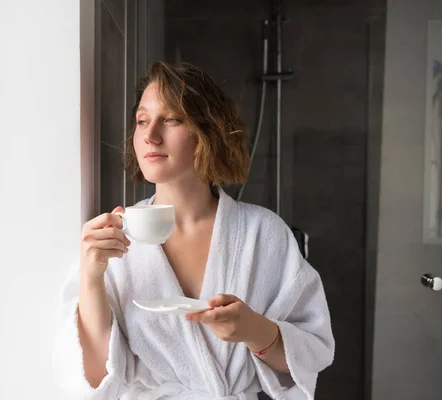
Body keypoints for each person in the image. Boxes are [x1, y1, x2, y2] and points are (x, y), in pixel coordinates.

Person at [54, 61, 335, 400]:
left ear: (208, 131)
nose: (150, 135)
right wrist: (92, 276)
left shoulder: (262, 232)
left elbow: (310, 355)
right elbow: (97, 375)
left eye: (170, 119)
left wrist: (254, 330)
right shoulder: (114, 237)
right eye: (142, 120)